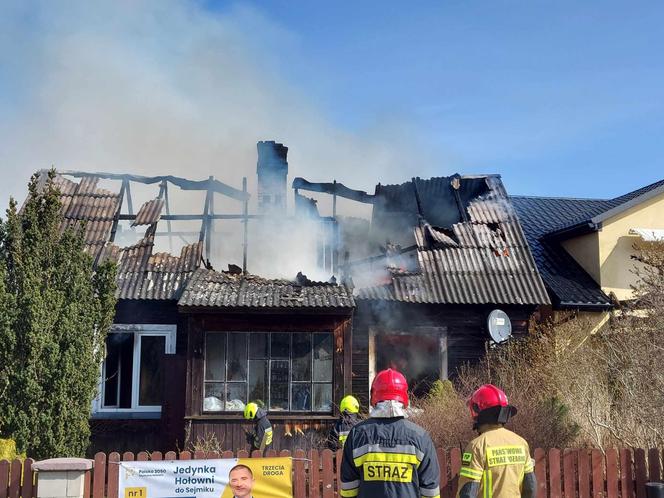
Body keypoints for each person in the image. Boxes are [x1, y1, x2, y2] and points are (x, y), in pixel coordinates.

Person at [340, 368, 440, 498]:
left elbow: (348, 491)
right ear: (404, 397)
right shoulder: (421, 437)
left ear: (374, 396)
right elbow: (430, 492)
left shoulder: (357, 435)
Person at [457, 384, 537, 498]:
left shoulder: (477, 446)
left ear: (479, 412)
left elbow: (468, 493)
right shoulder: (521, 443)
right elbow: (530, 487)